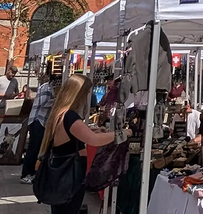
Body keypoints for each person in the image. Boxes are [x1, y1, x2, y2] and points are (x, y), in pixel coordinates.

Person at [39, 74, 130, 214]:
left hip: (62, 169)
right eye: (87, 93)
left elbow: (75, 134)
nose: (88, 96)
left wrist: (94, 130)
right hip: (69, 174)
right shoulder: (70, 116)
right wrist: (123, 133)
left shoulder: (60, 113)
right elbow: (93, 139)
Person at [20, 74, 56, 183]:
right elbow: (44, 103)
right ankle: (27, 174)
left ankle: (32, 172)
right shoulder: (47, 87)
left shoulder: (47, 87)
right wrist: (57, 100)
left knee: (37, 148)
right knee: (34, 148)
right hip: (38, 120)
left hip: (40, 121)